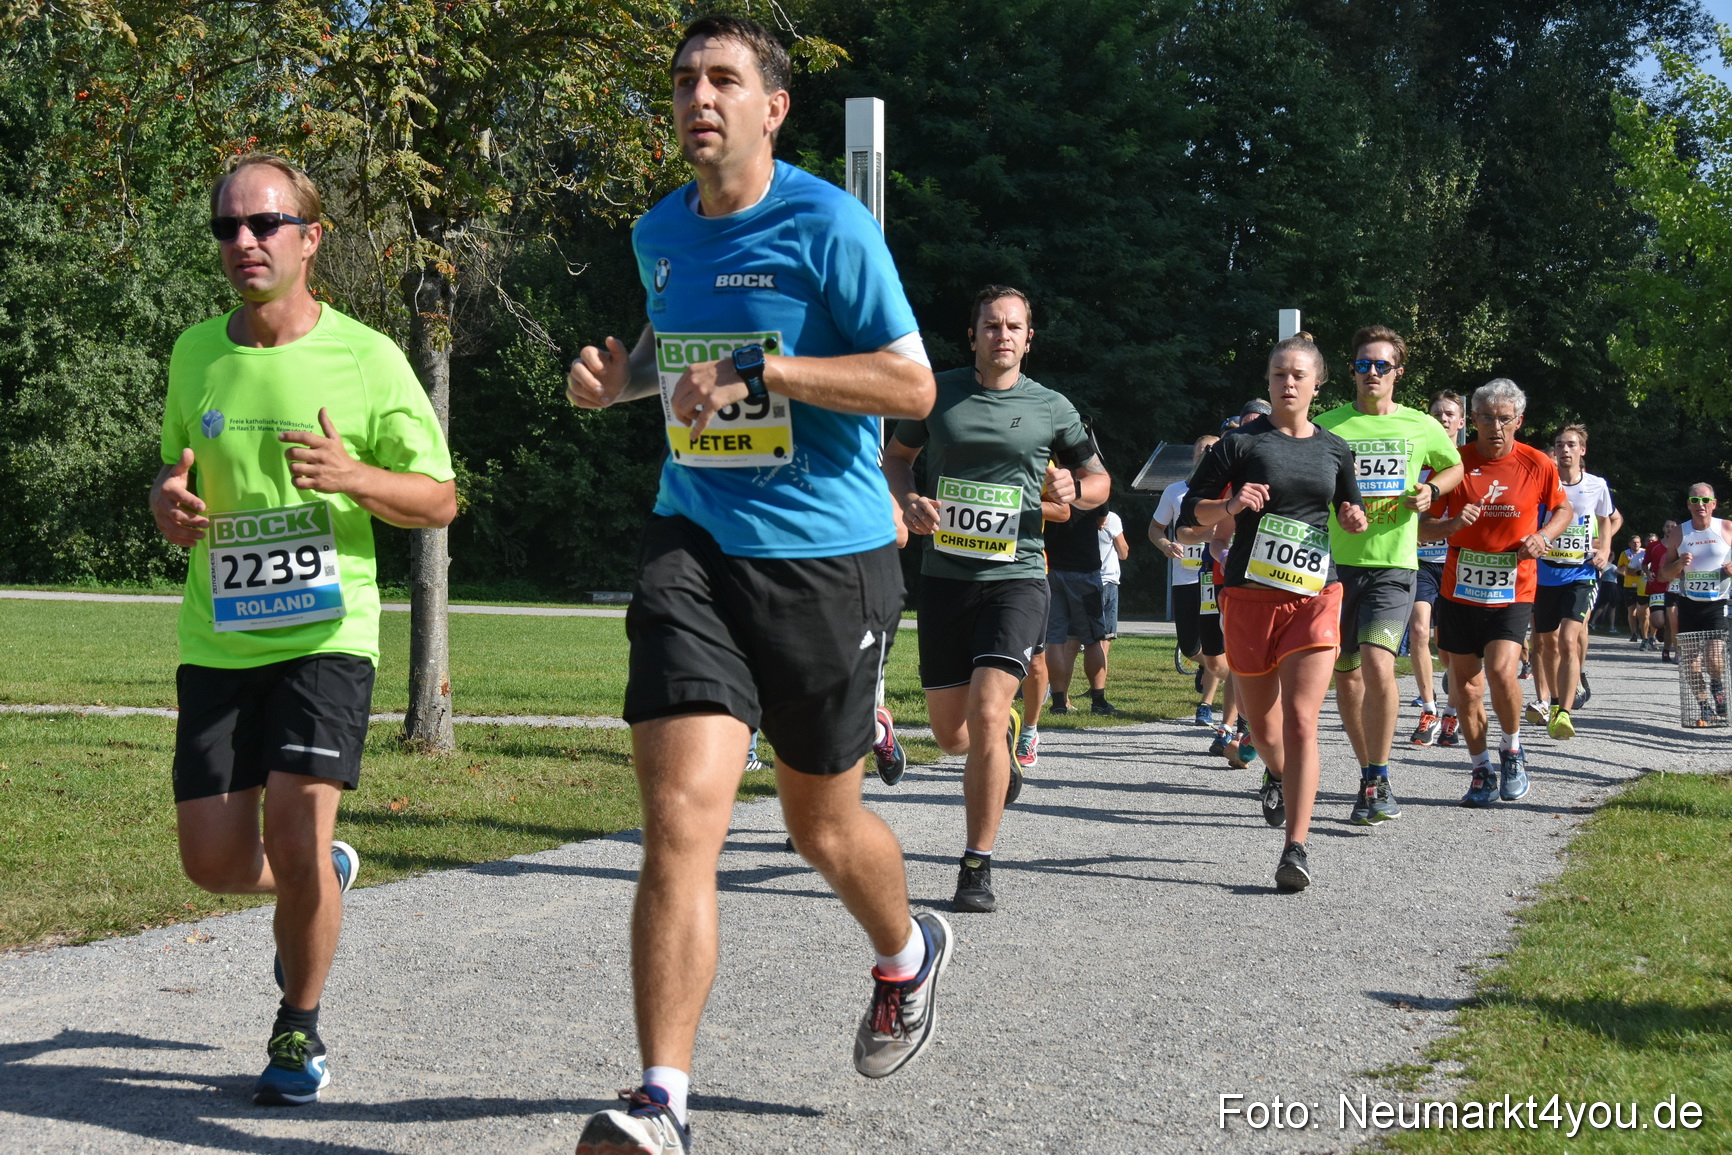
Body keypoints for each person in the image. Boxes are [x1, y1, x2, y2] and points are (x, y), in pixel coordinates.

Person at [563, 17, 946, 1150]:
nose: (698, 96)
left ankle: (906, 951)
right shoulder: (658, 231)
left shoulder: (828, 224)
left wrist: (773, 369)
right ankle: (660, 1102)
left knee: (820, 822)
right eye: (683, 79)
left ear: (773, 107)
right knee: (679, 821)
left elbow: (912, 385)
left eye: (724, 79)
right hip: (696, 546)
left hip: (827, 560)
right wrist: (613, 381)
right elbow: (667, 354)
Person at [149, 153, 457, 1106]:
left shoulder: (367, 355)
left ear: (310, 237)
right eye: (228, 228)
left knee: (292, 817)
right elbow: (174, 477)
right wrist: (170, 503)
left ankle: (299, 1027)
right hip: (219, 635)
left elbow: (439, 497)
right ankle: (318, 875)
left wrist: (352, 475)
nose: (244, 242)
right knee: (212, 862)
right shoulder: (197, 350)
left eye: (265, 224)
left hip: (327, 633)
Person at [884, 284, 1108, 914]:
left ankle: (975, 864)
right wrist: (908, 500)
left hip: (1019, 576)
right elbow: (896, 459)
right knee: (952, 735)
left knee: (984, 711)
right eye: (991, 325)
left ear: (1028, 337)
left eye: (1013, 326)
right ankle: (1003, 736)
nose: (1002, 335)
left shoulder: (1052, 407)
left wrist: (1076, 486)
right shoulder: (936, 392)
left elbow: (1097, 482)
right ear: (973, 333)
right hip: (946, 578)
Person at [1183, 333, 1368, 891]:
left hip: (1315, 595)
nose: (1288, 383)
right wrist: (1231, 505)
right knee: (1264, 730)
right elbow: (1193, 516)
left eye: (1298, 375)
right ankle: (1277, 772)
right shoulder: (1238, 445)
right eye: (1278, 374)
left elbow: (1346, 504)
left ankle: (1296, 846)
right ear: (1268, 382)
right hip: (1247, 596)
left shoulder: (1336, 449)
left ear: (1317, 383)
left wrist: (1354, 518)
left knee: (1302, 720)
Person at [1315, 326, 1462, 824]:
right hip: (1335, 566)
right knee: (1347, 675)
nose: (1371, 372)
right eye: (1363, 364)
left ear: (1398, 373)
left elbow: (1454, 468)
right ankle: (1367, 771)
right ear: (1352, 370)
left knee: (1379, 663)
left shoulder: (1421, 426)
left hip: (1394, 565)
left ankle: (1378, 775)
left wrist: (1432, 492)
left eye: (1381, 365)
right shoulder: (1328, 425)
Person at [1419, 379, 1571, 808]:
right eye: (1487, 418)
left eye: (1505, 419)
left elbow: (1563, 508)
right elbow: (1420, 525)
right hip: (1458, 590)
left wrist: (1543, 536)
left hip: (1513, 587)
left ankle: (1513, 750)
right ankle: (1481, 768)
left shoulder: (1538, 463)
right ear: (1474, 421)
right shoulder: (1454, 463)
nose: (1496, 427)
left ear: (1519, 421)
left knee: (1503, 671)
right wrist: (1449, 526)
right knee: (1464, 687)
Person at [1528, 424, 1619, 739]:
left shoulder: (1596, 485)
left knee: (1568, 639)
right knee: (1546, 643)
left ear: (1582, 450)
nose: (1564, 450)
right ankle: (1554, 703)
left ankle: (1564, 713)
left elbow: (1607, 518)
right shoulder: (1543, 483)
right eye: (1559, 444)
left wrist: (1605, 548)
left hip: (1581, 573)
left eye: (1571, 445)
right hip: (1545, 574)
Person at [1151, 435, 1225, 726]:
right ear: (1192, 457)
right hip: (1184, 578)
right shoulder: (1175, 492)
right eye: (1200, 453)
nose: (1204, 456)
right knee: (1189, 647)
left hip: (1213, 576)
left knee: (1216, 643)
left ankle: (1206, 704)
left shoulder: (1225, 492)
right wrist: (1165, 545)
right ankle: (1217, 669)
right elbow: (1155, 529)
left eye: (1211, 452)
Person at [1408, 390, 1467, 747]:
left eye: (1449, 414)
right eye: (1437, 413)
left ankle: (1452, 713)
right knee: (1418, 630)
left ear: (1462, 422)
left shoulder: (1470, 464)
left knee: (1452, 650)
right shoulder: (1417, 460)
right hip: (1421, 563)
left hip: (1459, 566)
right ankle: (1428, 709)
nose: (1443, 419)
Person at [1044, 493, 1121, 718]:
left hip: (1053, 569)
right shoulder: (1090, 486)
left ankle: (1058, 702)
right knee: (1094, 638)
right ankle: (1098, 701)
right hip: (1084, 571)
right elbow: (1102, 519)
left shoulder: (1048, 484)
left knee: (1055, 639)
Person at [1660, 485, 1732, 724]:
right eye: (1695, 500)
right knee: (1690, 661)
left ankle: (1717, 686)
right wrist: (1679, 564)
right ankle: (1704, 707)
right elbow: (1664, 574)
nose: (1700, 504)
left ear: (1713, 503)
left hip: (1717, 602)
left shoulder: (1727, 528)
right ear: (1689, 504)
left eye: (1705, 500)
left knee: (1713, 658)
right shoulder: (1679, 533)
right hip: (1688, 602)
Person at [1647, 526, 1677, 661]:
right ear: (1663, 528)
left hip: (1674, 588)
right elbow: (1644, 564)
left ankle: (1668, 651)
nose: (1670, 528)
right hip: (1657, 586)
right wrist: (1647, 573)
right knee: (1659, 622)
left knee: (1672, 622)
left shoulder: (1681, 543)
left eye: (1673, 526)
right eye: (1667, 525)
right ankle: (1660, 630)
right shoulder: (1654, 546)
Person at [1621, 533, 1651, 647]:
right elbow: (1623, 569)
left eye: (1638, 542)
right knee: (1632, 612)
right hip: (1629, 585)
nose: (1636, 544)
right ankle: (1634, 633)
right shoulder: (1625, 553)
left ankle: (1647, 635)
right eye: (1633, 542)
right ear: (1629, 544)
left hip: (1642, 587)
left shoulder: (1645, 552)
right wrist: (1639, 572)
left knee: (1645, 613)